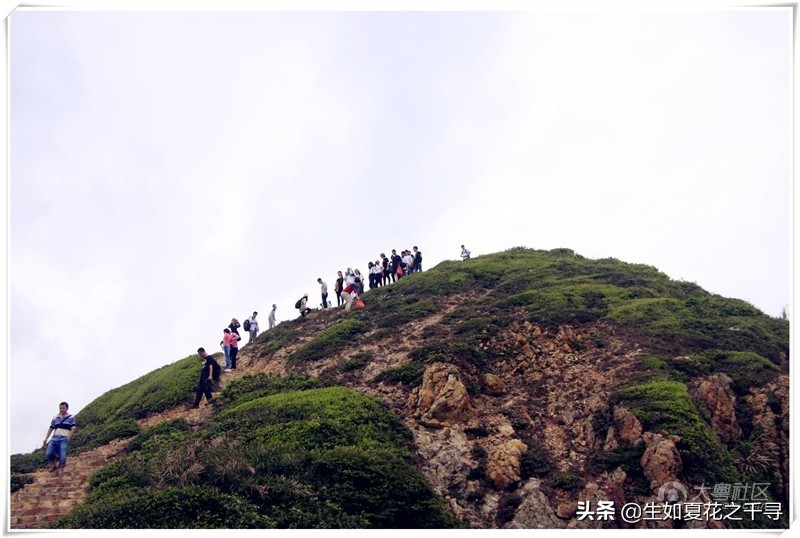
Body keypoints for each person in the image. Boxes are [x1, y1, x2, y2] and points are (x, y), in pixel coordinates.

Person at [42, 402, 76, 477]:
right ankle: (53, 464)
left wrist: (68, 437)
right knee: (49, 453)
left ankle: (61, 470)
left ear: (67, 408)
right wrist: (46, 438)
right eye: (60, 408)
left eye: (63, 408)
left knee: (63, 455)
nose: (61, 409)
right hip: (55, 438)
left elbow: (73, 428)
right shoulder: (55, 417)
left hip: (64, 439)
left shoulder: (71, 417)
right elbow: (51, 428)